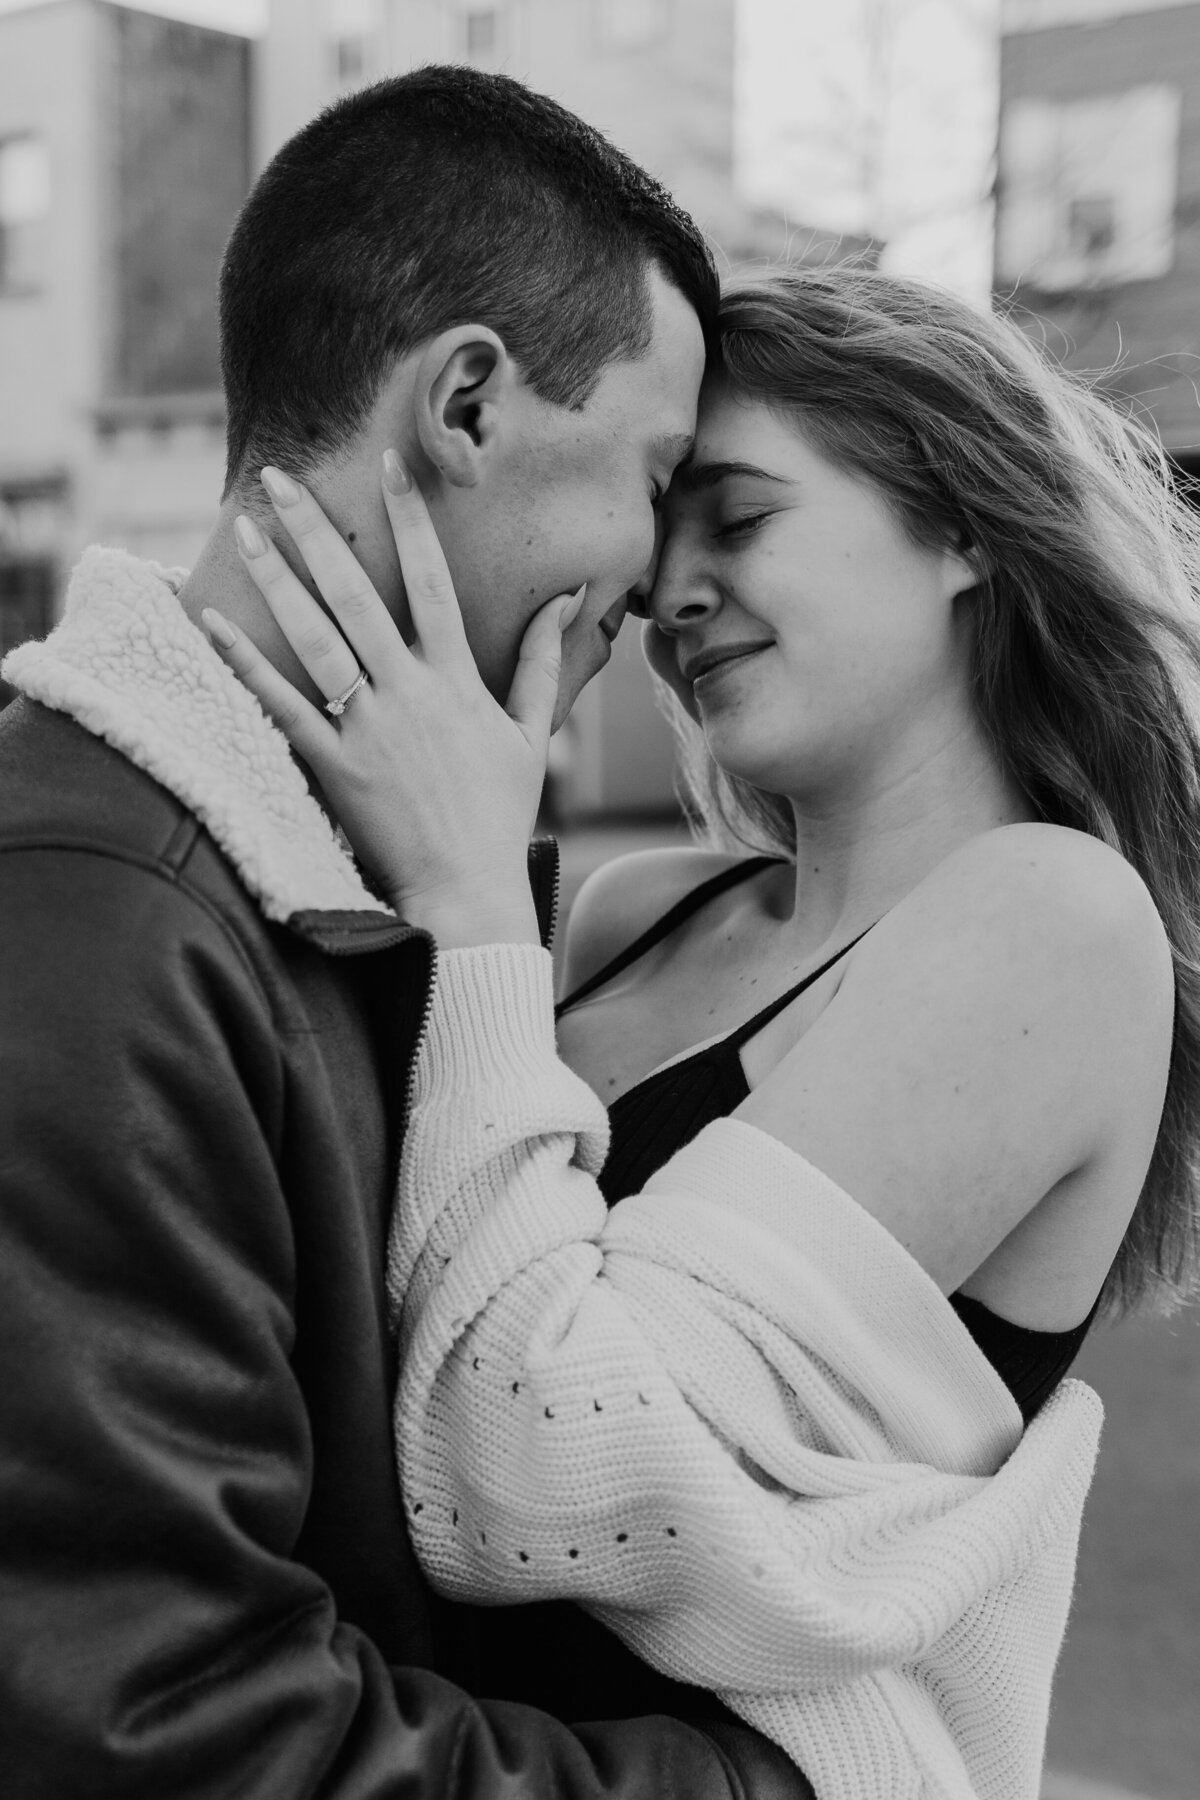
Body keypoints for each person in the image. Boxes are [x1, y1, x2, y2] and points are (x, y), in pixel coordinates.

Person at [207, 266, 1200, 1798]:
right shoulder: (642, 910)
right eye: (659, 541)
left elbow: (536, 1452)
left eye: (738, 521)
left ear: (961, 528)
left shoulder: (1057, 926)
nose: (670, 599)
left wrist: (474, 899)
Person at [0, 67, 817, 1800]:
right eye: (658, 477)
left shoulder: (306, 877)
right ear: (463, 402)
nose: (658, 581)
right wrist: (776, 1785)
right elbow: (164, 1733)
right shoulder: (95, 918)